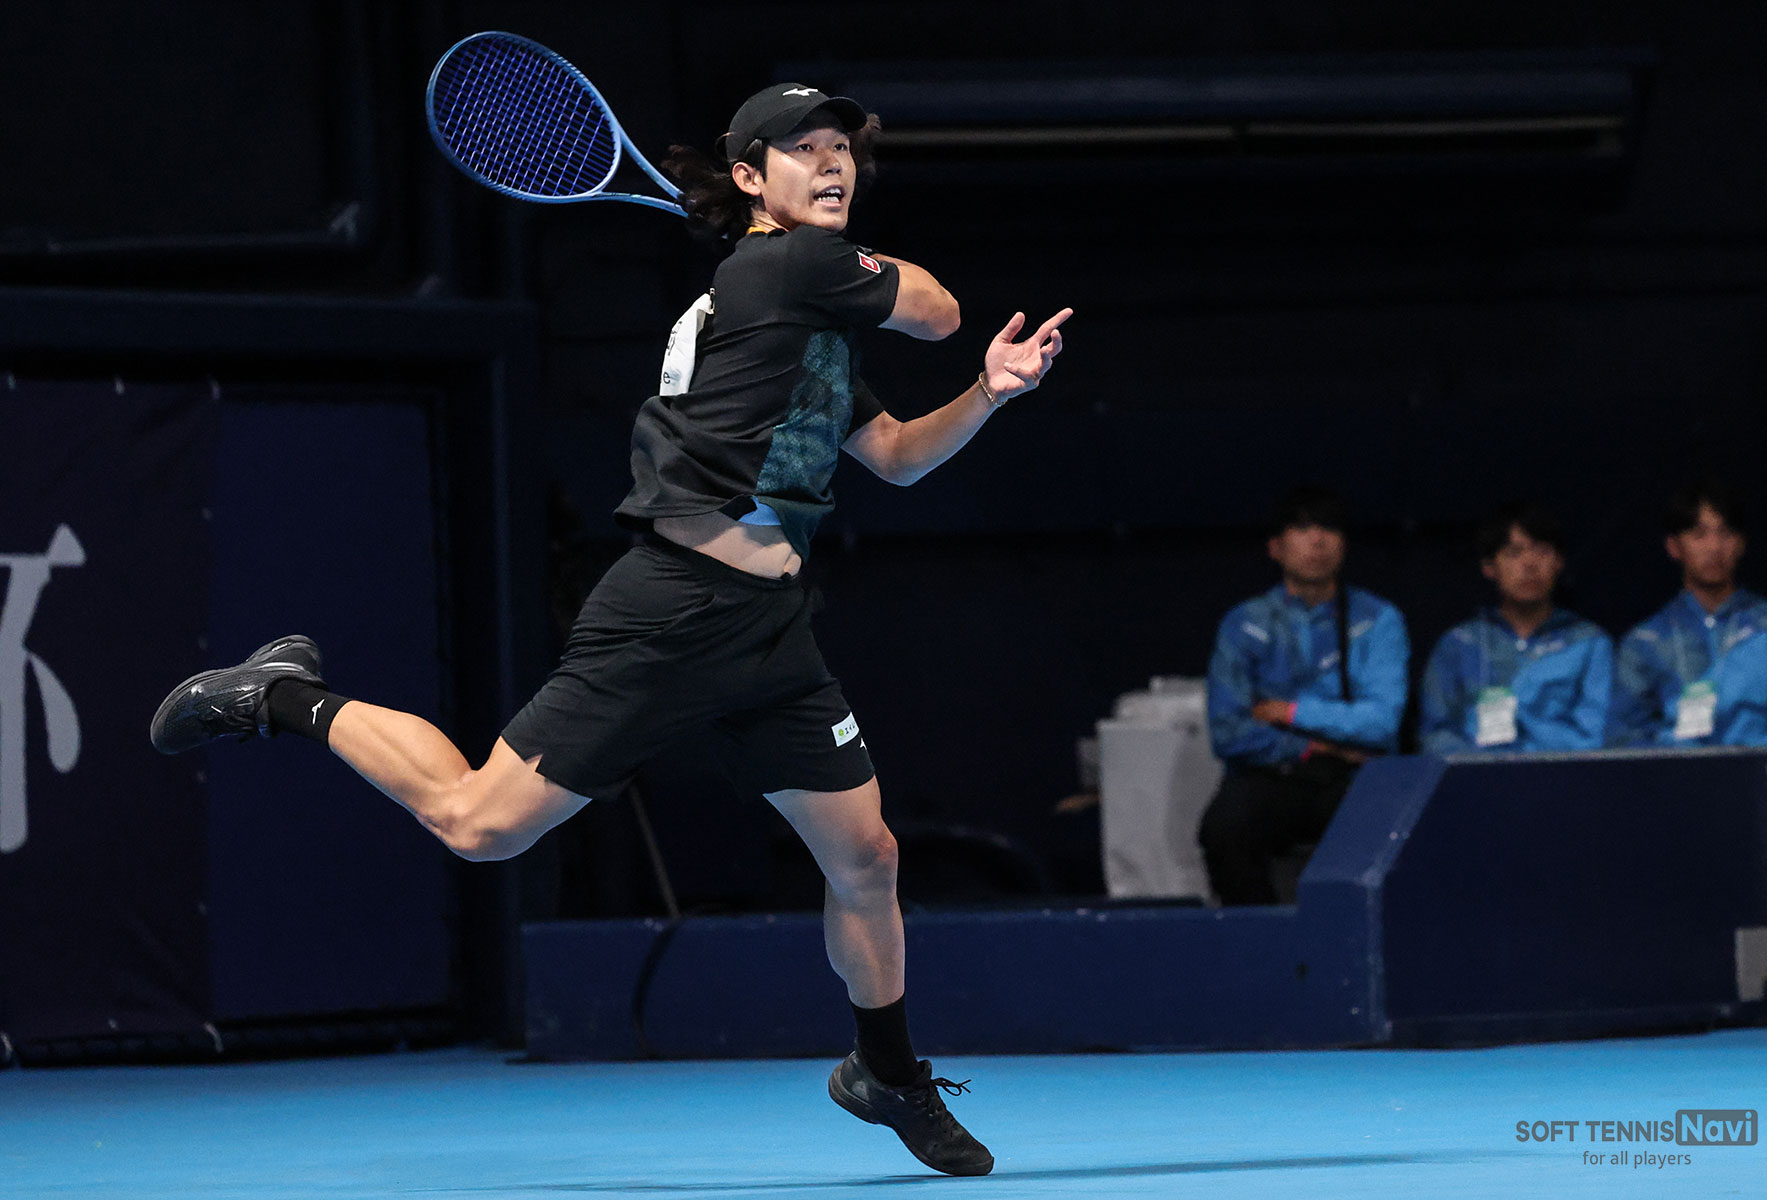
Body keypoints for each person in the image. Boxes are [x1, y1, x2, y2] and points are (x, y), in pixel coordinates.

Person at [149, 81, 1074, 1177]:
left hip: (771, 630)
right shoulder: (787, 267)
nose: (833, 164)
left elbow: (898, 456)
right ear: (749, 178)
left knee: (867, 857)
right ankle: (278, 693)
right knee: (477, 824)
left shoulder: (798, 312)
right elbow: (939, 308)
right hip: (670, 612)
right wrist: (893, 292)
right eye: (804, 150)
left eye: (843, 148)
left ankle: (886, 1073)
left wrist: (989, 394)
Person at [1197, 487, 1409, 906]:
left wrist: (1290, 712)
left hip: (1354, 775)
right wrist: (1316, 746)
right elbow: (1228, 732)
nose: (1318, 540)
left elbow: (1381, 724)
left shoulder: (1379, 619)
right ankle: (1260, 938)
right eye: (1302, 528)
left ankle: (1355, 939)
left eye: (1329, 528)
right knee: (1224, 829)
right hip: (1273, 772)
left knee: (1388, 830)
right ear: (1275, 548)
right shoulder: (1244, 622)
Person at [1607, 478, 1767, 748]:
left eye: (1726, 533)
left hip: (1762, 769)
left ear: (1741, 544)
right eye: (1699, 535)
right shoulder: (1645, 641)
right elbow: (1624, 738)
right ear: (1674, 547)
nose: (1714, 547)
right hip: (1677, 772)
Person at [1418, 502, 1611, 754]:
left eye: (1542, 551)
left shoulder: (1589, 643)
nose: (1530, 563)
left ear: (1559, 562)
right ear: (1489, 567)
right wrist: (1483, 763)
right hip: (1476, 775)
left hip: (1561, 774)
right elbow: (1435, 735)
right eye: (1514, 552)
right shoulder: (1459, 643)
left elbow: (1595, 738)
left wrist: (1521, 722)